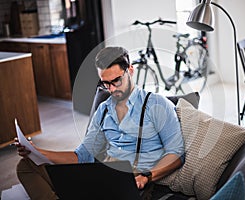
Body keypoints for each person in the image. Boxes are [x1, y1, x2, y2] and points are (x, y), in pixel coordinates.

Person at [15, 46, 185, 200]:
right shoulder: (103, 110)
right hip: (104, 176)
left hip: (137, 181)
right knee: (25, 166)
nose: (111, 89)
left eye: (116, 81)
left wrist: (146, 177)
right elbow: (82, 156)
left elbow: (176, 154)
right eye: (105, 83)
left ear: (130, 71)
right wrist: (36, 151)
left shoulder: (157, 105)